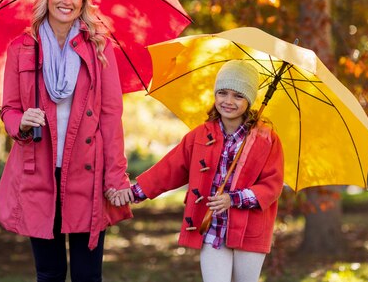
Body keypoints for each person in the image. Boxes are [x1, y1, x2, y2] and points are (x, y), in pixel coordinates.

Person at [0, 0, 134, 282]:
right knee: (49, 273)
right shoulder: (21, 49)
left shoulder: (99, 49)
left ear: (84, 2)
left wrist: (115, 177)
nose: (66, 0)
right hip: (38, 172)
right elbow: (9, 110)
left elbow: (111, 118)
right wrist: (22, 121)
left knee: (87, 275)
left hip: (86, 172)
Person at [121, 60, 284, 282]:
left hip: (250, 230)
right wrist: (133, 192)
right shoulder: (199, 136)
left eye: (238, 96)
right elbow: (170, 169)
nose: (228, 101)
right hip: (211, 227)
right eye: (223, 93)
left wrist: (233, 199)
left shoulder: (266, 139)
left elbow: (272, 186)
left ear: (249, 99)